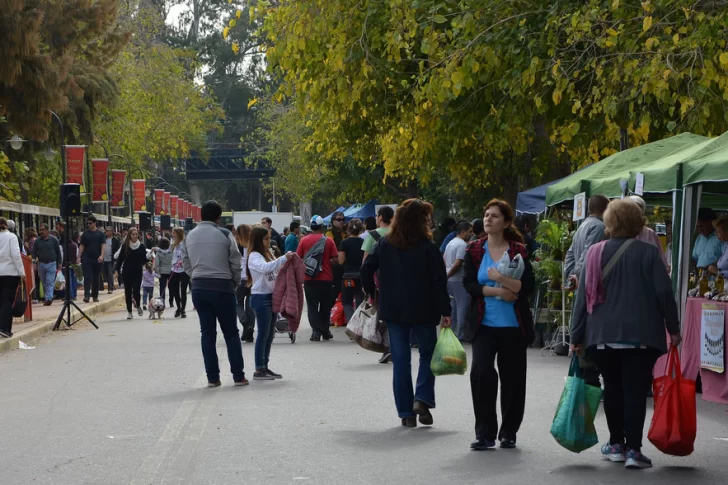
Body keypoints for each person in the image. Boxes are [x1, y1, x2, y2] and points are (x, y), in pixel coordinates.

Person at [571, 199, 681, 470]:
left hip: (602, 336)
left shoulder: (595, 253)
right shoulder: (649, 252)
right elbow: (664, 293)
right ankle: (634, 449)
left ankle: (616, 444)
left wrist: (575, 335)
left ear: (609, 223)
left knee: (613, 388)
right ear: (638, 223)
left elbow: (582, 300)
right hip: (641, 336)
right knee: (634, 391)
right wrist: (674, 329)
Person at [361, 199, 451, 428]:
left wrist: (373, 292)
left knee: (400, 361)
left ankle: (405, 413)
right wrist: (445, 311)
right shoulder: (429, 247)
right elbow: (439, 282)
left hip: (393, 309)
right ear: (421, 221)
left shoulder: (385, 244)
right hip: (425, 309)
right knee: (427, 355)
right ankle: (421, 399)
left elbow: (366, 269)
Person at [463, 199, 535, 450]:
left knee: (513, 379)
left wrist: (503, 280)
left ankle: (509, 432)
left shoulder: (518, 250)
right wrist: (498, 292)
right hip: (484, 324)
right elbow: (469, 285)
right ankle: (484, 432)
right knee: (482, 373)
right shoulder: (474, 249)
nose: (488, 219)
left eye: (494, 215)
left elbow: (528, 286)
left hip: (514, 326)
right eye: (486, 214)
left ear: (506, 222)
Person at [182, 200, 247, 387]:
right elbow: (236, 261)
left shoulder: (190, 235)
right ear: (218, 218)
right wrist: (234, 281)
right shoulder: (225, 234)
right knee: (231, 333)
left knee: (207, 333)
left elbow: (186, 263)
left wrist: (195, 276)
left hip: (199, 288)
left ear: (201, 215)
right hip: (222, 286)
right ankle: (238, 376)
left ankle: (213, 378)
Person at [247, 226, 293, 380]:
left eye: (269, 238)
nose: (268, 241)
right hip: (260, 298)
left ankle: (265, 365)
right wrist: (283, 258)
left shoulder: (268, 253)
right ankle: (259, 369)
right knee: (263, 334)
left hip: (272, 296)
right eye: (266, 239)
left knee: (270, 334)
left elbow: (276, 268)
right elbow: (265, 268)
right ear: (258, 240)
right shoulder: (254, 256)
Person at [296, 215, 338, 341]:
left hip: (309, 279)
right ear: (321, 226)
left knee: (312, 306)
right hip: (326, 278)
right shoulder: (328, 240)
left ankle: (316, 331)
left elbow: (298, 258)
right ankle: (325, 331)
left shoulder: (303, 241)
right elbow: (336, 259)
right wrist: (326, 262)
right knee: (325, 306)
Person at [564, 195, 610, 286]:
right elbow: (588, 255)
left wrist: (571, 275)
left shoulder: (583, 225)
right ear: (604, 210)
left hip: (581, 281)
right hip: (589, 285)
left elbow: (570, 254)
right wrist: (577, 276)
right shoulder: (600, 228)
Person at [444, 221, 473, 340]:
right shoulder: (462, 245)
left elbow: (444, 259)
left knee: (453, 307)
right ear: (462, 232)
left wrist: (446, 275)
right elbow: (458, 263)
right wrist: (449, 274)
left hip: (450, 279)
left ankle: (450, 332)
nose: (471, 234)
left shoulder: (450, 243)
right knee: (462, 307)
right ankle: (459, 334)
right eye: (469, 231)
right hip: (458, 279)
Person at [115, 227, 149, 320]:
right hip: (127, 271)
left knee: (137, 291)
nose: (134, 236)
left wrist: (148, 258)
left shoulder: (141, 246)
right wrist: (116, 270)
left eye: (136, 234)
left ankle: (138, 305)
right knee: (128, 292)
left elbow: (144, 259)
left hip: (137, 271)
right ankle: (129, 312)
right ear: (129, 235)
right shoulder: (125, 246)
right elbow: (120, 259)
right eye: (133, 234)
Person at [0, 217, 26, 338]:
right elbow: (16, 255)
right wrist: (22, 272)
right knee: (7, 301)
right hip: (10, 273)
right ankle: (5, 328)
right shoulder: (11, 237)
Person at [628, 196, 667, 268]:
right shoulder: (618, 232)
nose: (634, 213)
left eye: (638, 209)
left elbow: (661, 262)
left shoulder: (650, 233)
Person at [338, 218, 365, 323]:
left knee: (347, 300)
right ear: (361, 230)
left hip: (348, 275)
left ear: (348, 230)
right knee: (360, 299)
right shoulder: (364, 242)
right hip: (361, 275)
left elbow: (340, 261)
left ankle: (351, 323)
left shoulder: (344, 243)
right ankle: (358, 324)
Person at [31, 223, 62, 306]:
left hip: (51, 263)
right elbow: (34, 253)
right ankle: (47, 297)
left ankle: (49, 298)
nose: (41, 232)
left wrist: (59, 263)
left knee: (49, 282)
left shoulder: (54, 240)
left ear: (47, 231)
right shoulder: (37, 241)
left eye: (43, 230)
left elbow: (58, 252)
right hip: (41, 264)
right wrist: (34, 262)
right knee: (44, 282)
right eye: (40, 230)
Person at [235, 224, 255, 342]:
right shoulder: (253, 246)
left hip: (239, 278)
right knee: (250, 305)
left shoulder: (236, 246)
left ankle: (245, 324)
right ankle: (250, 330)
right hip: (252, 278)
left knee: (237, 303)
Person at [79, 215, 106, 303]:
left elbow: (103, 245)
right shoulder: (85, 234)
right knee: (87, 276)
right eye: (88, 223)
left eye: (90, 223)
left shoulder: (100, 234)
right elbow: (82, 245)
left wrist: (102, 255)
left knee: (96, 277)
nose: (89, 225)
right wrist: (79, 256)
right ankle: (86, 295)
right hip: (87, 258)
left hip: (97, 258)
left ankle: (95, 295)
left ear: (94, 223)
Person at [326, 211, 346, 309]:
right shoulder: (330, 232)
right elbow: (329, 248)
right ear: (333, 221)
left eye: (343, 219)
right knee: (334, 290)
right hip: (334, 266)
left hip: (344, 266)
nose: (341, 222)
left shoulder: (344, 232)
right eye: (339, 219)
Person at [169, 227, 190, 318]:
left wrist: (183, 261)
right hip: (174, 269)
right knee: (175, 290)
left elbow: (189, 255)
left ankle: (183, 310)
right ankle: (178, 307)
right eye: (172, 233)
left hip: (183, 270)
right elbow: (169, 254)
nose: (173, 235)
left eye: (174, 233)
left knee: (183, 290)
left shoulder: (185, 244)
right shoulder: (173, 245)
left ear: (178, 234)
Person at [153, 237, 173, 305]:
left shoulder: (159, 253)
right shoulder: (171, 251)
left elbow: (157, 263)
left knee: (162, 286)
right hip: (171, 271)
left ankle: (162, 301)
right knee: (171, 286)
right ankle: (171, 300)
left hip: (162, 271)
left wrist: (157, 272)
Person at [102, 227, 120, 294]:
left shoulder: (115, 240)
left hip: (111, 260)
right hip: (104, 259)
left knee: (110, 273)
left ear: (111, 232)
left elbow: (118, 250)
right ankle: (110, 285)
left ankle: (110, 288)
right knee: (105, 273)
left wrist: (116, 259)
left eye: (107, 231)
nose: (106, 232)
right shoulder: (104, 239)